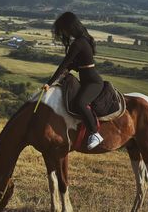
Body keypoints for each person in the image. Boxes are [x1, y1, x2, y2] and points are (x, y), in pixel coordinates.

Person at [43, 12, 104, 150]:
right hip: (87, 81)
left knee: (80, 103)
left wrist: (49, 82)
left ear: (69, 27)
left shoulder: (78, 43)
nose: (63, 32)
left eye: (63, 29)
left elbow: (64, 64)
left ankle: (95, 133)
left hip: (93, 83)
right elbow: (74, 65)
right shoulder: (83, 40)